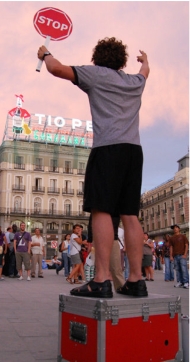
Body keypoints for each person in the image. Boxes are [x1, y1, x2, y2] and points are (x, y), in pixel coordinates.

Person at [37, 36, 149, 298]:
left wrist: (46, 54)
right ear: (121, 60)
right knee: (130, 214)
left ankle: (101, 280)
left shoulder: (95, 75)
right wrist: (145, 60)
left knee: (101, 210)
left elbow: (57, 69)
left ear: (97, 57)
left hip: (107, 149)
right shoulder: (135, 82)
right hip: (134, 151)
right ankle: (136, 280)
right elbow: (145, 71)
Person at [169, 224, 189, 289]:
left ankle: (186, 282)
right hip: (175, 255)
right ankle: (180, 281)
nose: (175, 229)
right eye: (174, 228)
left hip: (182, 254)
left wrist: (185, 254)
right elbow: (171, 247)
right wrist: (171, 256)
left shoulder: (183, 236)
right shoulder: (172, 238)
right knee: (177, 269)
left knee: (184, 269)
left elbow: (186, 245)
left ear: (179, 229)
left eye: (176, 228)